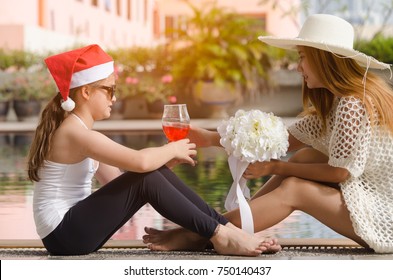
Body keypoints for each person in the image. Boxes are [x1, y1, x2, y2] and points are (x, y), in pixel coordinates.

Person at [143, 14, 393, 253]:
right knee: (303, 158)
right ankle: (220, 229)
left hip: (384, 219)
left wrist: (277, 168)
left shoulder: (352, 103)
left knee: (296, 188)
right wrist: (209, 138)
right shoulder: (336, 105)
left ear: (324, 59)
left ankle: (204, 233)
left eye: (303, 57)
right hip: (370, 202)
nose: (297, 67)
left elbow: (340, 172)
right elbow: (279, 142)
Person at [27, 44, 279, 256]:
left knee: (150, 174)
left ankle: (226, 230)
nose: (114, 98)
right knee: (147, 172)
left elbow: (123, 185)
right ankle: (222, 235)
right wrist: (171, 149)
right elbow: (139, 163)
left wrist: (164, 166)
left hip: (71, 233)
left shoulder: (79, 131)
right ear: (85, 92)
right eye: (110, 90)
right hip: (63, 234)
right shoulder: (75, 133)